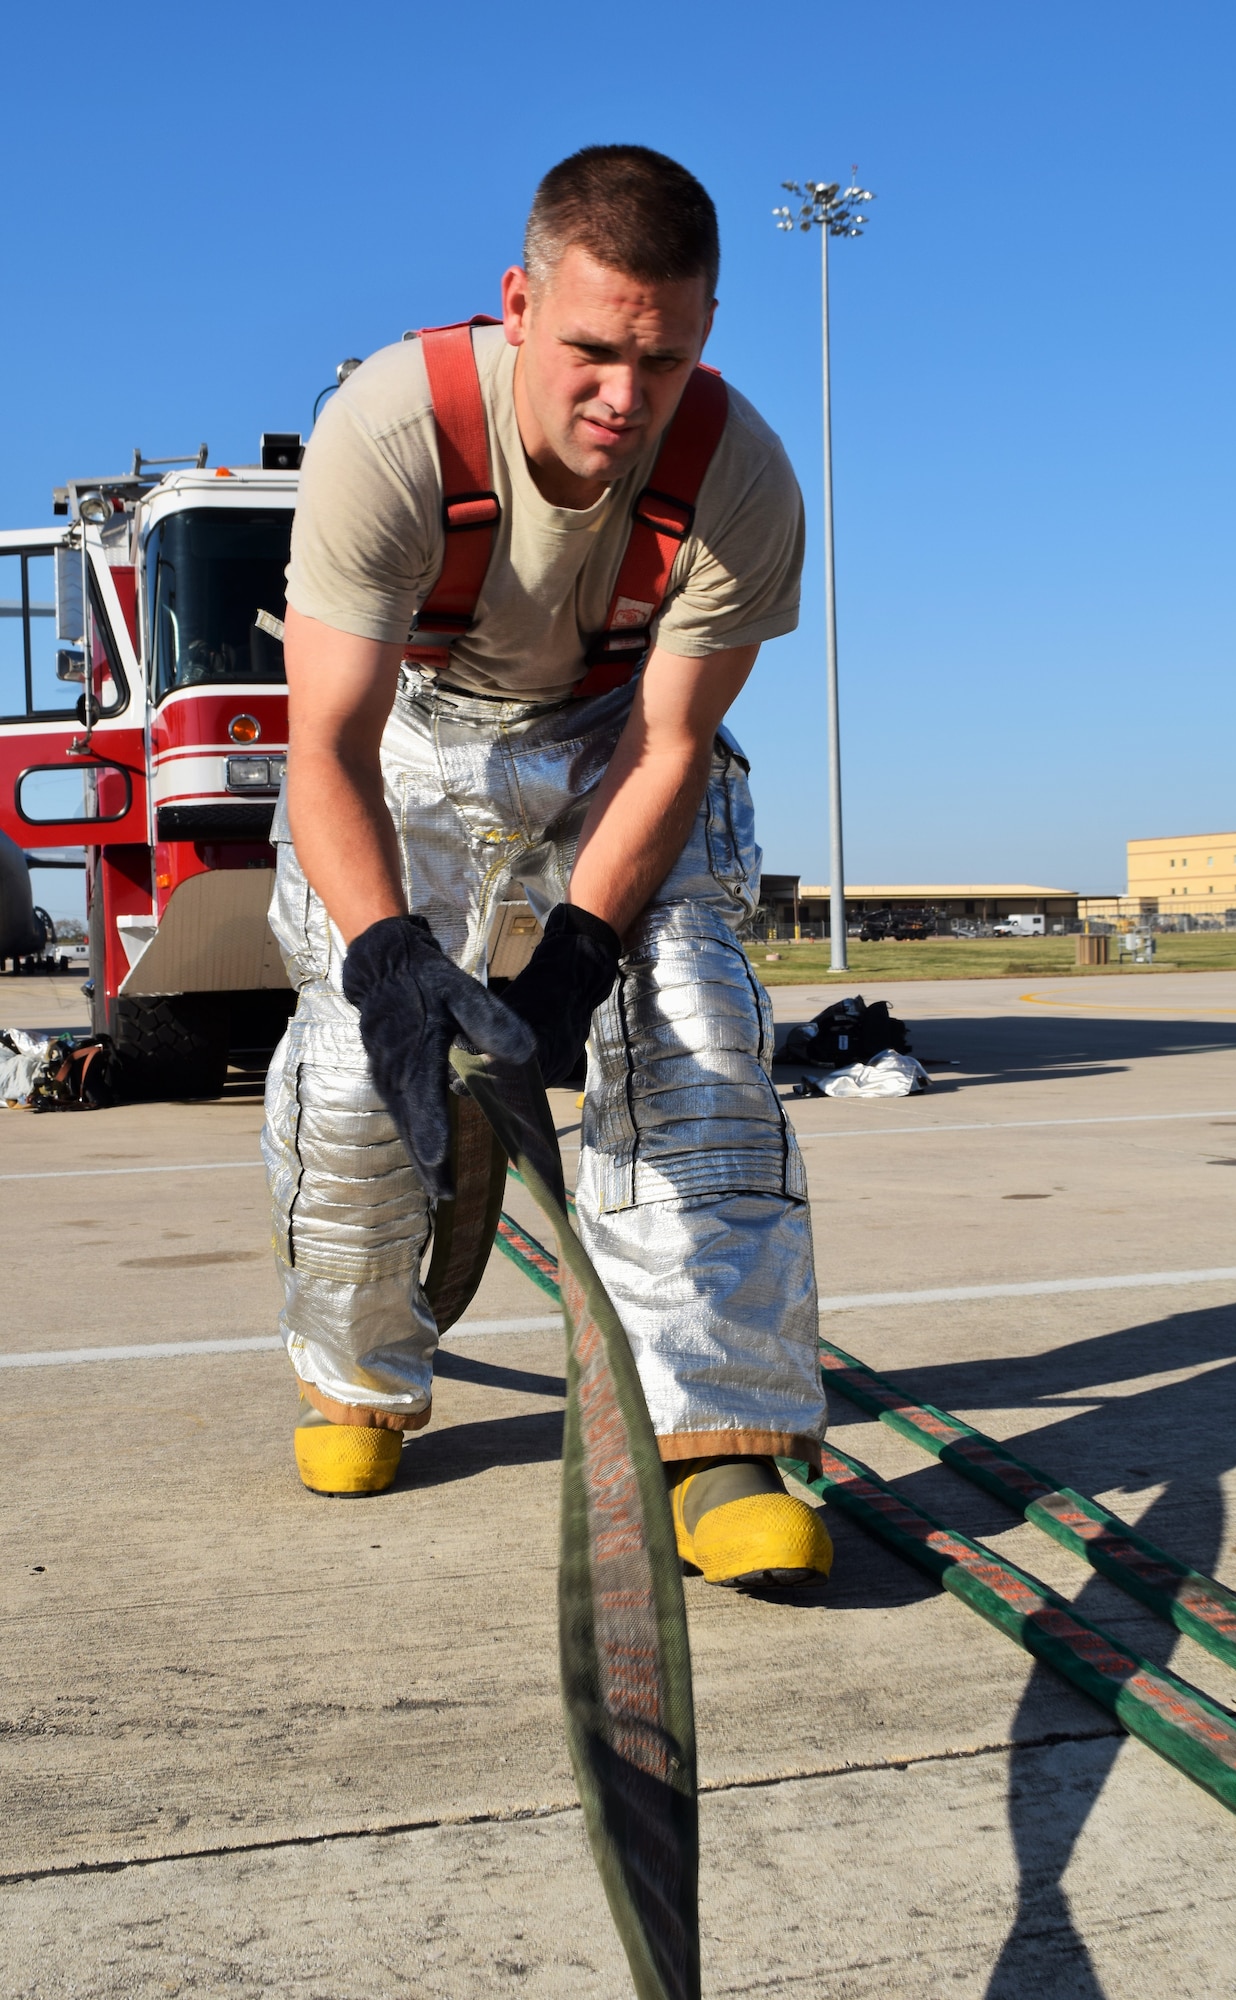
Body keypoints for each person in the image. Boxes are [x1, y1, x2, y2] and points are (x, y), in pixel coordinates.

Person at [263, 144, 833, 1589]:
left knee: (696, 1036)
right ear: (519, 302)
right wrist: (395, 953)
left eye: (665, 357)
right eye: (589, 349)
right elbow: (324, 741)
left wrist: (578, 959)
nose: (623, 400)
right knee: (351, 1056)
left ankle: (721, 1441)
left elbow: (669, 746)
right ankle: (359, 1379)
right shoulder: (390, 431)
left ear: (702, 329)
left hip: (610, 745)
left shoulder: (741, 475)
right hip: (409, 739)